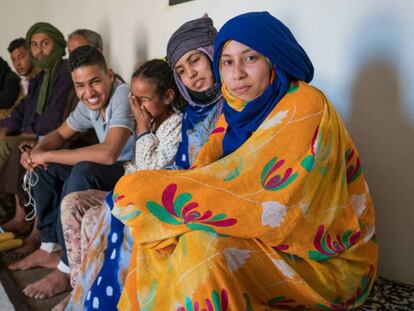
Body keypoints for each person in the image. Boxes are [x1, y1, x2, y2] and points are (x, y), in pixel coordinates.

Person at [111, 11, 378, 310]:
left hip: (320, 257)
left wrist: (155, 193)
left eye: (250, 58)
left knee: (201, 248)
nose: (236, 73)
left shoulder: (305, 105)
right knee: (159, 240)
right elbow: (206, 171)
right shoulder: (233, 113)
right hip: (260, 235)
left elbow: (269, 199)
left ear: (273, 59)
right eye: (227, 62)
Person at [64, 14, 225, 311]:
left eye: (196, 61)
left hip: (189, 197)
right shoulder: (192, 111)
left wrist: (141, 127)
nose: (190, 73)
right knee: (94, 203)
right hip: (159, 186)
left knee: (116, 209)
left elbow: (157, 169)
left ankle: (100, 297)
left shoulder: (187, 118)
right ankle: (82, 291)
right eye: (181, 68)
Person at [55, 58, 184, 311]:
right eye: (133, 99)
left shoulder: (174, 125)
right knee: (72, 203)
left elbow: (148, 173)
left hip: (143, 195)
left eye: (142, 99)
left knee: (93, 218)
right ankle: (79, 289)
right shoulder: (149, 117)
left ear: (168, 96)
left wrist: (144, 127)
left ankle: (88, 292)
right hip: (126, 187)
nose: (135, 105)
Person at [10, 45, 135, 301]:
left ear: (109, 75)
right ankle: (49, 245)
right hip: (110, 171)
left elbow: (110, 153)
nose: (88, 92)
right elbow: (57, 134)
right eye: (80, 85)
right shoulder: (88, 104)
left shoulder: (122, 94)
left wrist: (47, 154)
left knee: (83, 170)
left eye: (95, 82)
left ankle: (66, 268)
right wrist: (37, 153)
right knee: (47, 168)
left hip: (131, 173)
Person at [0, 22, 73, 238]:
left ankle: (23, 217)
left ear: (58, 44)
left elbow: (55, 115)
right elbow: (21, 111)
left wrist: (33, 134)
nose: (39, 50)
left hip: (50, 136)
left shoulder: (65, 71)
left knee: (15, 148)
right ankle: (21, 215)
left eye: (45, 43)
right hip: (34, 133)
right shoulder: (40, 78)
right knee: (12, 143)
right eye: (34, 45)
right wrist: (6, 126)